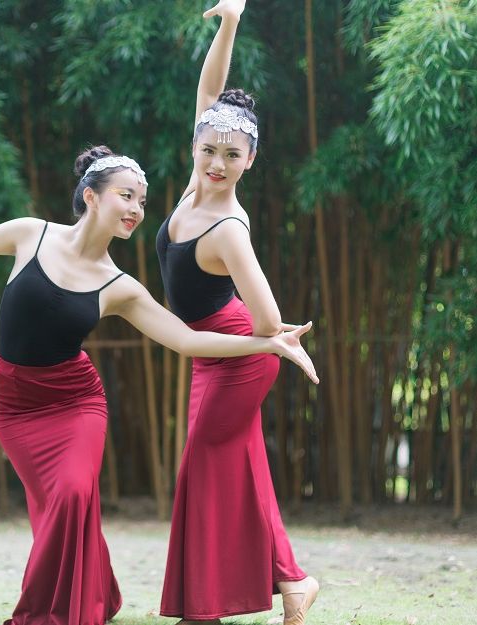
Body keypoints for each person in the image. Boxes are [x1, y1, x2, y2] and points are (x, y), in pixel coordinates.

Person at [0, 145, 318, 625]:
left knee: (73, 493)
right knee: (53, 505)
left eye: (141, 201)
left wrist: (266, 345)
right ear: (91, 197)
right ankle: (96, 591)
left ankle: (49, 611)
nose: (137, 209)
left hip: (76, 401)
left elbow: (186, 340)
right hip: (14, 404)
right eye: (126, 196)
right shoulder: (31, 235)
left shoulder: (119, 286)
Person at [155, 2, 321, 625]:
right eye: (210, 149)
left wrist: (270, 347)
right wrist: (230, 23)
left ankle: (205, 607)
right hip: (214, 351)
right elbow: (208, 90)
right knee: (242, 462)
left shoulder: (228, 227)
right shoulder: (191, 187)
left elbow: (267, 319)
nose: (218, 162)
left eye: (232, 155)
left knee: (203, 459)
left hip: (241, 354)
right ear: (195, 146)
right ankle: (291, 580)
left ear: (250, 161)